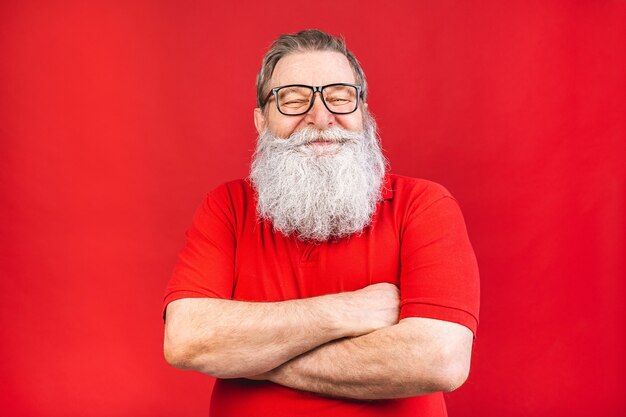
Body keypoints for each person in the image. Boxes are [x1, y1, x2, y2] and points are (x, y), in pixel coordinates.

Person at [163, 29, 479, 417]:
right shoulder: (227, 207)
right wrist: (347, 310)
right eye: (293, 100)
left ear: (362, 113)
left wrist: (253, 357)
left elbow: (440, 359)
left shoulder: (424, 205)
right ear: (262, 122)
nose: (321, 117)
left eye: (340, 98)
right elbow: (188, 339)